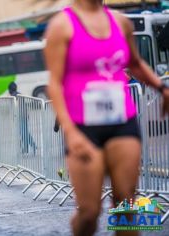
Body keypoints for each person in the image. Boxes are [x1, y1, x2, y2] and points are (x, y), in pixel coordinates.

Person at [44, 0, 169, 235]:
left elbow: (134, 63)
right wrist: (70, 132)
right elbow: (54, 84)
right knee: (90, 212)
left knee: (126, 202)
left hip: (123, 122)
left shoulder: (121, 22)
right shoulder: (61, 26)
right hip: (83, 127)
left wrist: (161, 89)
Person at [8, 82, 37, 154]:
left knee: (24, 132)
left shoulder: (14, 96)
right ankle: (28, 147)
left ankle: (32, 145)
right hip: (24, 115)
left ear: (10, 89)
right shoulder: (18, 94)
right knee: (24, 132)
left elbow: (15, 107)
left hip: (21, 116)